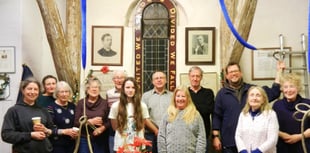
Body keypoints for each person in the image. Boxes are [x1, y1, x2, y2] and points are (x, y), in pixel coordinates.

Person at [212, 61, 284, 153]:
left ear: (241, 73)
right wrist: (216, 137)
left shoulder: (252, 90)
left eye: (236, 71)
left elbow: (273, 92)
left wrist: (279, 72)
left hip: (249, 144)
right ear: (226, 76)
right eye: (230, 72)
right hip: (229, 143)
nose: (234, 74)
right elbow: (217, 116)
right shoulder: (221, 94)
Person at [1, 77, 54, 153]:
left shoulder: (43, 110)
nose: (32, 92)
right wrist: (30, 135)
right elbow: (6, 135)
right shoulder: (14, 110)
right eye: (29, 89)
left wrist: (45, 130)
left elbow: (52, 131)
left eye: (35, 89)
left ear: (39, 92)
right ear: (23, 90)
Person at [157, 85, 206, 153]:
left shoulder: (195, 115)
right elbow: (161, 137)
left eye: (183, 96)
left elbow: (201, 138)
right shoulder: (167, 114)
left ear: (188, 98)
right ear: (174, 98)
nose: (180, 99)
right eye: (178, 96)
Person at [108, 77, 150, 152]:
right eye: (127, 87)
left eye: (133, 88)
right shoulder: (115, 106)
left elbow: (142, 125)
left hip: (137, 143)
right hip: (122, 144)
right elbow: (114, 127)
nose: (130, 90)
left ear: (136, 90)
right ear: (123, 89)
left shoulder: (142, 106)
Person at [272, 73, 310, 153]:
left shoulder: (307, 104)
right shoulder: (277, 105)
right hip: (282, 147)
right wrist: (282, 135)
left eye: (292, 86)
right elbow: (271, 126)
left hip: (303, 147)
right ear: (282, 89)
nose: (288, 90)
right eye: (285, 87)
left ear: (298, 88)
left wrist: (299, 137)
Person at [235, 86, 279, 153]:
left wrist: (258, 151)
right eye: (252, 95)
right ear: (248, 99)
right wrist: (242, 150)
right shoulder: (243, 114)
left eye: (258, 95)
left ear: (263, 99)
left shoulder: (271, 114)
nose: (254, 98)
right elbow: (238, 135)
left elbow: (273, 139)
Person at [74, 78, 110, 153]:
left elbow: (109, 121)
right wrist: (90, 122)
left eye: (96, 87)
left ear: (99, 89)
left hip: (100, 139)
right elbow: (76, 123)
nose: (94, 89)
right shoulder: (81, 103)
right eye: (92, 87)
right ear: (87, 89)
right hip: (84, 139)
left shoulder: (105, 103)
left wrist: (102, 128)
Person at [141, 71, 172, 153]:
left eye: (161, 78)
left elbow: (175, 114)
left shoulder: (172, 96)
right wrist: (156, 131)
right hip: (150, 134)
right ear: (152, 81)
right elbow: (144, 117)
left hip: (168, 134)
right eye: (156, 78)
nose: (159, 80)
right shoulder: (146, 96)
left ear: (166, 80)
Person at [187, 66, 214, 153]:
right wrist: (202, 106)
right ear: (189, 77)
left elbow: (208, 110)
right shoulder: (185, 93)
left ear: (201, 77)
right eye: (193, 76)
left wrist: (190, 107)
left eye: (198, 76)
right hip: (187, 134)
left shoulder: (208, 92)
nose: (195, 79)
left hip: (204, 134)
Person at [47, 81, 78, 153]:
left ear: (70, 93)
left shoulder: (73, 106)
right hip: (56, 144)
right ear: (57, 93)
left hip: (72, 143)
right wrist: (64, 132)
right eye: (61, 92)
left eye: (66, 92)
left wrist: (76, 132)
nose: (64, 94)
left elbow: (77, 122)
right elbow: (49, 128)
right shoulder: (51, 107)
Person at [106, 70, 126, 153]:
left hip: (127, 129)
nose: (119, 80)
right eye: (117, 78)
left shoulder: (130, 92)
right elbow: (108, 111)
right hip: (113, 130)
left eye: (121, 78)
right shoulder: (109, 93)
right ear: (113, 80)